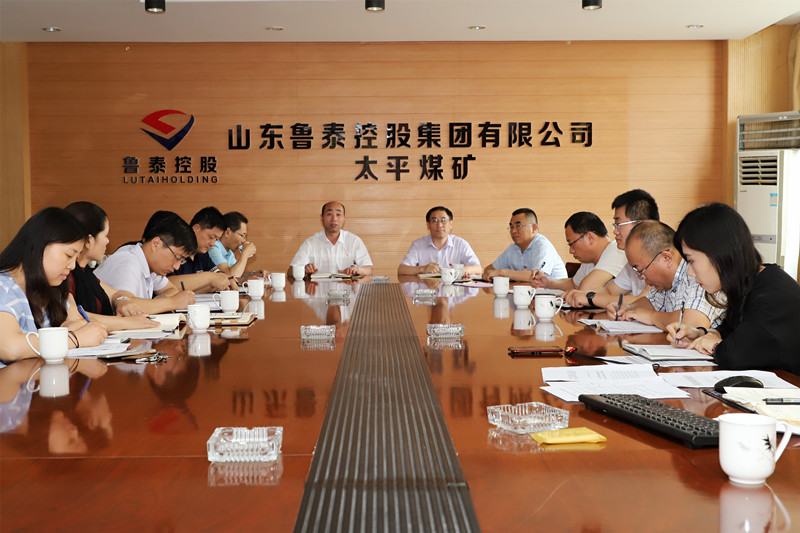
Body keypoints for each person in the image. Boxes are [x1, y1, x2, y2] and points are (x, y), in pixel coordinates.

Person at [666, 203, 800, 373]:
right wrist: (702, 334)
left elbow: (735, 354)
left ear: (718, 253)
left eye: (691, 261)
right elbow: (733, 331)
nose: (690, 273)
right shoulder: (748, 284)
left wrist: (715, 345)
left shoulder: (771, 294)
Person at [0, 207, 108, 365]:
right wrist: (74, 338)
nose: (72, 266)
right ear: (39, 246)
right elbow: (10, 347)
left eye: (76, 258)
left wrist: (68, 327)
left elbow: (75, 321)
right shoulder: (4, 288)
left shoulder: (49, 289)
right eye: (69, 255)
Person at [608, 220, 723, 331]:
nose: (641, 277)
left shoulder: (699, 275)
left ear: (666, 258)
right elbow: (651, 302)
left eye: (641, 270)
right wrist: (628, 308)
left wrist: (651, 317)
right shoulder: (666, 282)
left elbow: (692, 324)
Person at [63, 201, 158, 331]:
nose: (108, 241)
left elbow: (115, 294)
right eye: (106, 235)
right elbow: (75, 317)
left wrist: (122, 301)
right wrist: (127, 323)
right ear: (89, 240)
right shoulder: (64, 274)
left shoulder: (86, 272)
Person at [564, 189, 659, 308]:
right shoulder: (631, 261)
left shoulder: (659, 257)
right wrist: (580, 294)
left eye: (619, 225)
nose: (615, 231)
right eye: (615, 225)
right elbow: (609, 291)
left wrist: (589, 298)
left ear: (641, 224)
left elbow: (643, 301)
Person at [94, 211, 197, 313]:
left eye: (181, 261)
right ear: (156, 243)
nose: (177, 267)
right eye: (177, 257)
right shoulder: (128, 261)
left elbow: (171, 290)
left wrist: (159, 302)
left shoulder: (151, 265)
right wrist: (171, 303)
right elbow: (127, 306)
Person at [533, 211, 626, 291]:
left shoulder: (616, 251)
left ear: (589, 237)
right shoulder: (589, 260)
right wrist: (548, 282)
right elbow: (574, 284)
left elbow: (585, 290)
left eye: (572, 244)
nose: (570, 251)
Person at [482, 208, 567, 282]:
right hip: (527, 293)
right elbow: (489, 269)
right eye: (511, 227)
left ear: (534, 228)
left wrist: (502, 272)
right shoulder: (513, 248)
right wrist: (491, 273)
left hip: (552, 294)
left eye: (518, 226)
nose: (513, 231)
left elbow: (537, 276)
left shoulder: (542, 246)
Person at [290, 201, 373, 277]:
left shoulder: (354, 241)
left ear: (344, 218)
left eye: (338, 214)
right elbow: (290, 271)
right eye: (329, 214)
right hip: (318, 288)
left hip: (347, 288)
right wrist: (303, 270)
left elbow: (368, 270)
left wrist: (357, 270)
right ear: (322, 218)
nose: (334, 219)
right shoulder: (310, 243)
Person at [397, 206, 481, 278]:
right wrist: (423, 269)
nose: (439, 225)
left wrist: (461, 270)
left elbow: (478, 269)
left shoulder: (461, 244)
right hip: (427, 290)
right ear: (428, 225)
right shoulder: (418, 244)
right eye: (435, 221)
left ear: (450, 224)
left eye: (443, 220)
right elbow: (402, 269)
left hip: (454, 291)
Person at [168, 206, 234, 293]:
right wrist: (209, 278)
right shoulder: (175, 249)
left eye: (216, 240)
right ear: (196, 228)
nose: (213, 244)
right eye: (211, 237)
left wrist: (224, 278)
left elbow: (218, 275)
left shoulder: (202, 254)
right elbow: (166, 285)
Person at [208, 211, 257, 279]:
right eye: (242, 235)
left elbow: (237, 272)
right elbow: (230, 276)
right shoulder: (213, 247)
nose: (243, 241)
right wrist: (245, 253)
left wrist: (256, 274)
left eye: (245, 237)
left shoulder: (229, 253)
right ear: (228, 232)